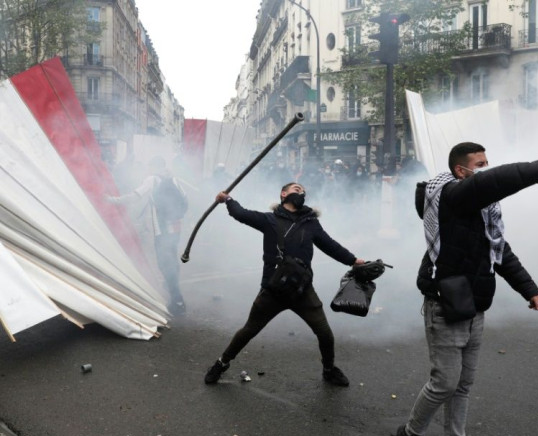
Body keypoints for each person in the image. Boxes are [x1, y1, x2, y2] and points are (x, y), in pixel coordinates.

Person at [393, 142, 538, 436]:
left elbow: (499, 251)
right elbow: (497, 181)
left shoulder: (482, 212)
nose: (485, 167)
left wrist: (530, 289)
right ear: (461, 171)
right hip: (445, 303)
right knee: (444, 384)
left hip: (475, 303)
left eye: (486, 162)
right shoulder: (453, 196)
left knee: (462, 385)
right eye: (479, 164)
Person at [203, 182, 366, 386]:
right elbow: (241, 214)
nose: (301, 191)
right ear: (283, 194)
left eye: (303, 190)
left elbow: (329, 245)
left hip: (302, 290)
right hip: (273, 289)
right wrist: (227, 200)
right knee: (248, 331)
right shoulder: (268, 220)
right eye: (295, 188)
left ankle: (329, 369)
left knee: (325, 333)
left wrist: (353, 260)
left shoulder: (311, 223)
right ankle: (221, 363)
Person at [108, 156, 187, 315]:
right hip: (176, 226)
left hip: (162, 228)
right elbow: (185, 200)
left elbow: (135, 196)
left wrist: (112, 200)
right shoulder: (174, 179)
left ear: (152, 166)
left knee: (165, 263)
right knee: (171, 260)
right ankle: (173, 289)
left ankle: (177, 301)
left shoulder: (152, 179)